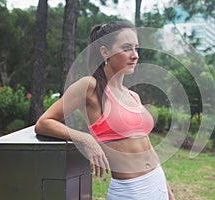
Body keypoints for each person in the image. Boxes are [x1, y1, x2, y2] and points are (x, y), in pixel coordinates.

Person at [35, 21, 175, 200]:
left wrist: (167, 190)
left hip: (157, 182)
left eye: (136, 48)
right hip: (130, 191)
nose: (135, 56)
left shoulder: (133, 96)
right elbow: (44, 123)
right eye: (126, 48)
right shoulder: (89, 86)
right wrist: (85, 138)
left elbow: (147, 146)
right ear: (104, 52)